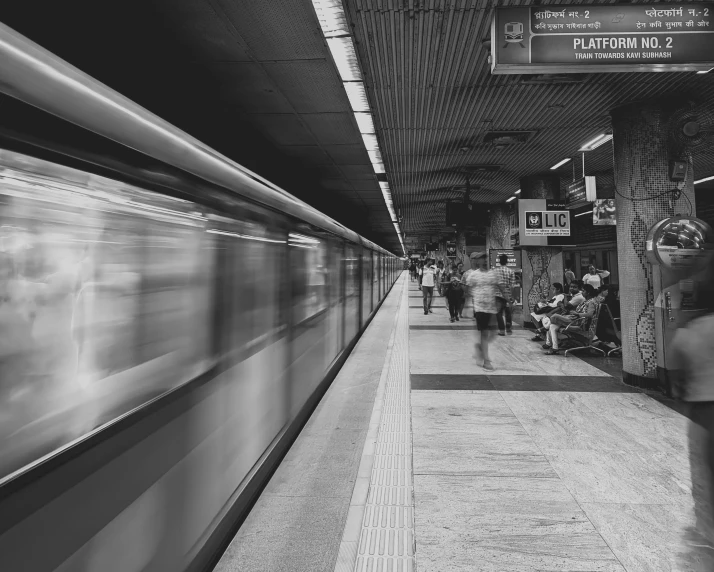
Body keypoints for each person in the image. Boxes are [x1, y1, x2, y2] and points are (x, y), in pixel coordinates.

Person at [669, 297, 714, 555]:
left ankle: (706, 531)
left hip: (703, 412)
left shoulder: (689, 333)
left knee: (704, 472)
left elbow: (679, 384)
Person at [465, 252, 499, 371]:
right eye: (481, 259)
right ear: (477, 261)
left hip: (492, 308)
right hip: (479, 308)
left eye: (486, 259)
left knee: (494, 333)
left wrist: (508, 299)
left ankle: (480, 347)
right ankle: (486, 360)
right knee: (484, 333)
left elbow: (498, 287)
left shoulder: (493, 274)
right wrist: (468, 306)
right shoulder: (472, 275)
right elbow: (467, 289)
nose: (484, 261)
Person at [542, 284, 599, 355]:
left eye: (583, 291)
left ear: (588, 292)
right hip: (573, 319)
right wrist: (573, 313)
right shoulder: (585, 301)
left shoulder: (591, 302)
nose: (582, 292)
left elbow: (590, 314)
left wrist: (578, 314)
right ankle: (555, 348)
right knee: (552, 326)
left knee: (555, 316)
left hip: (579, 322)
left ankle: (544, 328)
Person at [494, 253, 515, 336]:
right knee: (508, 312)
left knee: (498, 313)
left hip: (497, 295)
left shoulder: (495, 271)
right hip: (508, 296)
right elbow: (512, 286)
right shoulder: (511, 271)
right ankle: (508, 328)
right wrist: (511, 296)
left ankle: (502, 330)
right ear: (507, 261)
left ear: (499, 261)